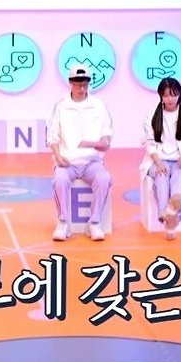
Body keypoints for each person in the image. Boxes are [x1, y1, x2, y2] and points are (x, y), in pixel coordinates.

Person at [48, 65, 113, 241]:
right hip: (67, 162)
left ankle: (94, 223)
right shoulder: (61, 106)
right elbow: (52, 135)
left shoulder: (99, 105)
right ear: (70, 83)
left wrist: (103, 143)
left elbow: (107, 134)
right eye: (78, 84)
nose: (81, 88)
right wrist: (58, 157)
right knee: (59, 180)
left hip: (92, 162)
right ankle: (63, 223)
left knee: (104, 179)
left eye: (84, 84)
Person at [142, 78, 181, 240]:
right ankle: (168, 214)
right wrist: (158, 162)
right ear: (160, 96)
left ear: (180, 94)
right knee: (161, 175)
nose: (170, 99)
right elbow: (149, 144)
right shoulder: (152, 116)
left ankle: (172, 208)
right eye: (166, 95)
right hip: (158, 159)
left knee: (180, 173)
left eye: (174, 95)